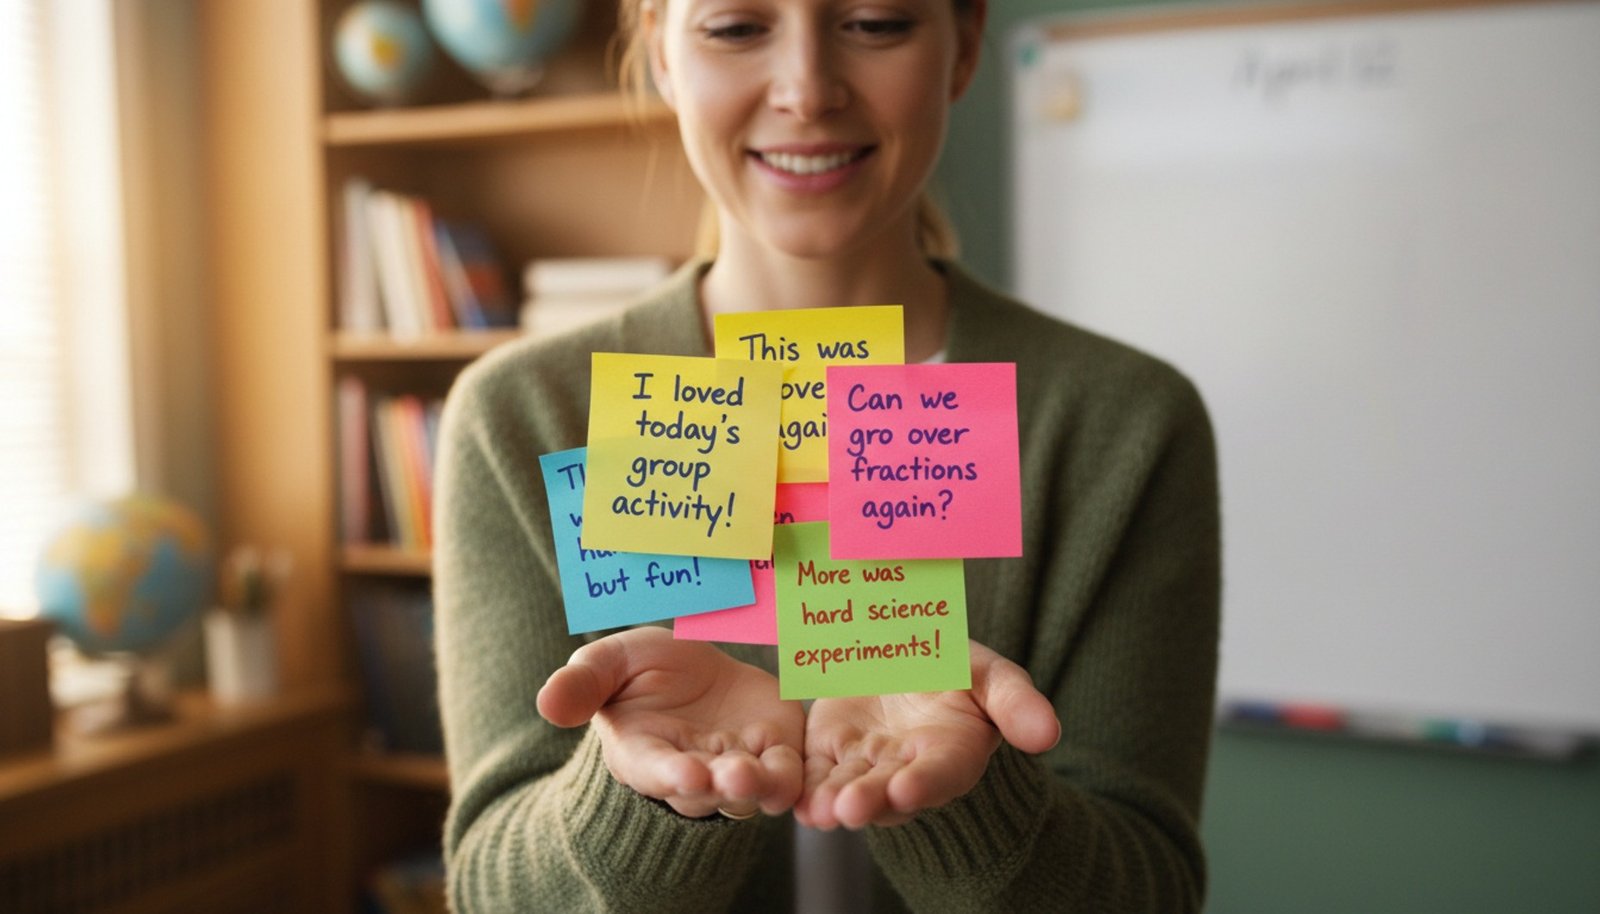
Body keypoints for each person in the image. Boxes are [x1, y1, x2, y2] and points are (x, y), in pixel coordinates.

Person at [433, 1, 1220, 911]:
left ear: (962, 47)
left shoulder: (1124, 425)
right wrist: (639, 797)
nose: (806, 91)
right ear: (660, 55)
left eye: (876, 21)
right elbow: (490, 889)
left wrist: (969, 801)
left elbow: (1150, 891)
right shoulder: (523, 418)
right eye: (735, 27)